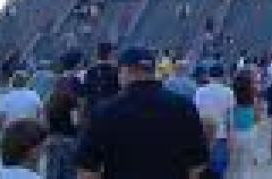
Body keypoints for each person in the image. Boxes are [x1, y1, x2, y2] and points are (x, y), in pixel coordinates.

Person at [75, 47, 208, 179]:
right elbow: (198, 167)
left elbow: (87, 171)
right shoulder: (184, 107)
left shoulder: (104, 111)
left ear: (125, 71)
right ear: (152, 71)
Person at [194, 63, 235, 179]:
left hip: (203, 135)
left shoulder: (200, 91)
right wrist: (231, 140)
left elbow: (196, 114)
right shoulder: (228, 92)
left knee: (202, 171)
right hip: (221, 136)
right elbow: (230, 119)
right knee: (219, 172)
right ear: (223, 76)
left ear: (208, 76)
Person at [45, 73, 82, 179]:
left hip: (53, 139)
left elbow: (46, 123)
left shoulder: (49, 101)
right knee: (69, 171)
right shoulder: (72, 101)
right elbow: (75, 122)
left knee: (53, 170)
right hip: (69, 139)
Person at [231, 71, 261, 179]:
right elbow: (257, 117)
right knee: (245, 167)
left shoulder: (232, 96)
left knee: (232, 166)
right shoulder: (253, 97)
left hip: (234, 132)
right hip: (249, 132)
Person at [82, 43, 120, 119]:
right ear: (110, 54)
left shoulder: (89, 72)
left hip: (93, 113)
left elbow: (85, 94)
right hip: (111, 113)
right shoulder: (116, 72)